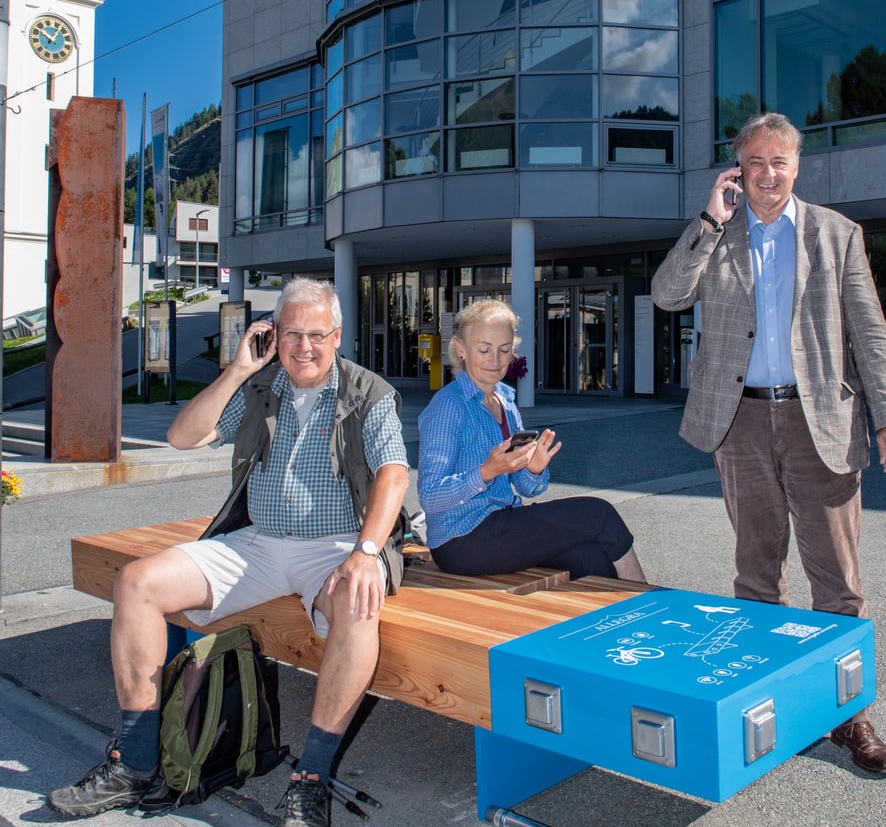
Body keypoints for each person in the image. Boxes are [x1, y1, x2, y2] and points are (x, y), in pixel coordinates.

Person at [48, 279, 409, 827]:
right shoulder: (261, 387)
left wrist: (365, 551)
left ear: (337, 336)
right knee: (137, 582)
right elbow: (183, 436)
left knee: (360, 608)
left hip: (334, 546)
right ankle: (138, 763)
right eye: (291, 334)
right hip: (259, 541)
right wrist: (238, 369)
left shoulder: (368, 392)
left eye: (316, 335)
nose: (304, 347)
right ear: (273, 334)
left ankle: (309, 778)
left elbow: (393, 473)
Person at [651, 112, 886, 776]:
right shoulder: (721, 234)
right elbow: (667, 294)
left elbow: (870, 330)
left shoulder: (835, 235)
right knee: (756, 575)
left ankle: (849, 716)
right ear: (738, 170)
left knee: (837, 583)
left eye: (779, 162)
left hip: (819, 421)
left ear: (797, 167)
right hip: (740, 423)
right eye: (755, 163)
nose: (767, 175)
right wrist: (709, 220)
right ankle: (772, 705)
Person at [417, 299, 646, 582]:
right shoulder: (448, 406)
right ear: (461, 349)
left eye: (504, 350)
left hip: (501, 524)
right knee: (599, 514)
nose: (495, 360)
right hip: (461, 538)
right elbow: (429, 497)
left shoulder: (506, 402)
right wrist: (487, 471)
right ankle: (651, 607)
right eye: (484, 349)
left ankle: (616, 624)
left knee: (590, 557)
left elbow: (526, 488)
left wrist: (533, 468)